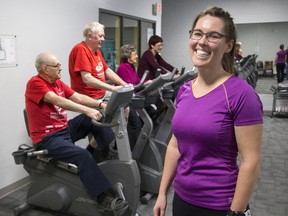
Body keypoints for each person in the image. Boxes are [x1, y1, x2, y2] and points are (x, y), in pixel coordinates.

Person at [153, 6, 263, 216]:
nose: (202, 42)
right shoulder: (185, 90)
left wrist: (235, 212)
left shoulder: (242, 94)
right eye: (197, 33)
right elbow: (175, 146)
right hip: (182, 198)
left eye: (213, 36)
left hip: (219, 205)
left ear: (228, 45)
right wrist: (162, 193)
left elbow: (251, 162)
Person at [25, 52, 129, 216]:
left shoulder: (58, 82)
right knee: (82, 156)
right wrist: (87, 111)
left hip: (63, 130)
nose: (60, 68)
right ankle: (102, 199)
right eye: (57, 66)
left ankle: (108, 154)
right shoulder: (35, 83)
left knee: (94, 119)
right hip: (47, 138)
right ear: (45, 69)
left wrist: (100, 105)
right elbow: (57, 100)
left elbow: (78, 97)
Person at [68, 21, 129, 153]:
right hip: (88, 96)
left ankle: (114, 147)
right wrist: (112, 88)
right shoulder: (81, 50)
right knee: (103, 122)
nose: (103, 39)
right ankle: (106, 149)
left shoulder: (96, 51)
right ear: (89, 36)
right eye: (100, 36)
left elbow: (107, 71)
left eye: (103, 36)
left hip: (101, 94)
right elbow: (87, 79)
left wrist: (123, 84)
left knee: (125, 108)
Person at [116, 44, 152, 148]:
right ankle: (136, 152)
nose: (136, 56)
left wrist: (147, 82)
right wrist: (141, 84)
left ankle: (139, 149)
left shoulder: (131, 67)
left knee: (151, 112)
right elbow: (128, 87)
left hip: (132, 99)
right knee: (136, 125)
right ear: (128, 56)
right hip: (125, 101)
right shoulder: (123, 68)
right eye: (135, 54)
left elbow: (136, 82)